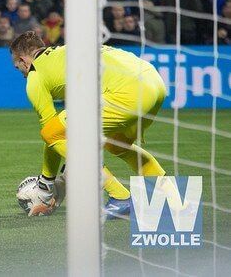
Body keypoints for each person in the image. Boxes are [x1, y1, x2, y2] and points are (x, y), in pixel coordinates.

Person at [10, 31, 167, 219]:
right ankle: (168, 196)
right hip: (154, 82)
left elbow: (52, 134)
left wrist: (45, 186)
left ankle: (120, 197)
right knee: (117, 145)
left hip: (127, 92)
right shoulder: (65, 53)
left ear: (23, 60)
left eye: (18, 68)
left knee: (52, 132)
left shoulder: (36, 75)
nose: (22, 75)